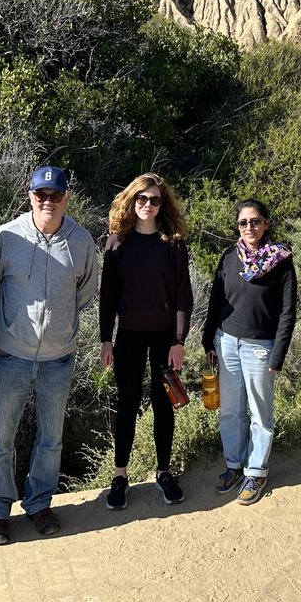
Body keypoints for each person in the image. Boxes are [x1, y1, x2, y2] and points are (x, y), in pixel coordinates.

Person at [0, 165, 98, 545]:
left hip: (58, 358)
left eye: (56, 195)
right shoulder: (7, 237)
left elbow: (85, 291)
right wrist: (7, 328)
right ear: (30, 196)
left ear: (67, 197)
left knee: (51, 438)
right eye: (40, 195)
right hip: (11, 355)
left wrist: (60, 327)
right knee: (1, 438)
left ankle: (39, 503)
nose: (48, 201)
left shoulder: (81, 241)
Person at [98, 173, 194, 510]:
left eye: (154, 200)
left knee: (163, 404)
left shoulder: (173, 243)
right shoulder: (117, 242)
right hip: (129, 337)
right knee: (126, 405)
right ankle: (120, 475)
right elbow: (107, 296)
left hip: (164, 339)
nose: (148, 205)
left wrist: (179, 340)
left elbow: (184, 294)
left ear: (162, 204)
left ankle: (164, 472)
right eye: (142, 199)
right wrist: (105, 339)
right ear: (131, 200)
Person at [202, 198, 297, 506]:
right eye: (243, 223)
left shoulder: (280, 261)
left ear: (265, 224)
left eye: (255, 221)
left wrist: (278, 354)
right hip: (226, 342)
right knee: (230, 411)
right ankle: (234, 464)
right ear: (237, 226)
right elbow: (217, 300)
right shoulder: (230, 258)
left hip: (260, 347)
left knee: (259, 413)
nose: (249, 228)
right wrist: (208, 341)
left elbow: (287, 312)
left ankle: (256, 471)